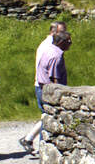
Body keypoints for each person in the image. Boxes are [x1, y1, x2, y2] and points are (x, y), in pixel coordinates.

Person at [20, 22, 69, 153]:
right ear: (54, 32)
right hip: (45, 86)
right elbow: (51, 73)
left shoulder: (50, 46)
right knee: (48, 116)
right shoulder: (50, 48)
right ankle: (43, 148)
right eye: (62, 32)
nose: (64, 34)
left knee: (46, 115)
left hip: (42, 84)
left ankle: (29, 139)